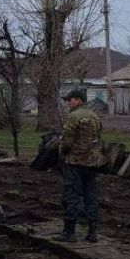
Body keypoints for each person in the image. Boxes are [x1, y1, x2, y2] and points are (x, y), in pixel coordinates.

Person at [53, 89, 103, 243]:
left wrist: (61, 152)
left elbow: (67, 141)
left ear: (79, 100)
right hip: (92, 162)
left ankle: (69, 233)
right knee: (91, 196)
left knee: (72, 196)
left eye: (71, 100)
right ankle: (93, 232)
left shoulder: (73, 116)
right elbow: (98, 137)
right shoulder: (94, 115)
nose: (69, 102)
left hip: (75, 161)